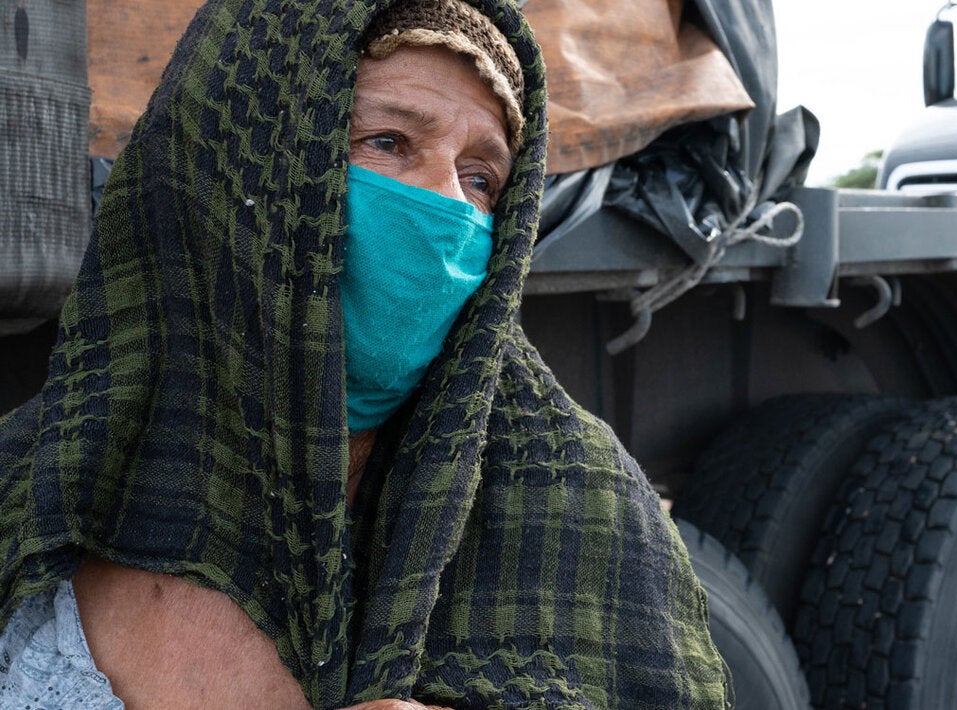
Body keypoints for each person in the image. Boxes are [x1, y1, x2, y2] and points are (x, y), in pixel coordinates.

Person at [0, 0, 731, 707]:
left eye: (483, 178)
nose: (448, 206)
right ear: (246, 163)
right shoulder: (42, 474)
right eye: (388, 142)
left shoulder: (575, 498)